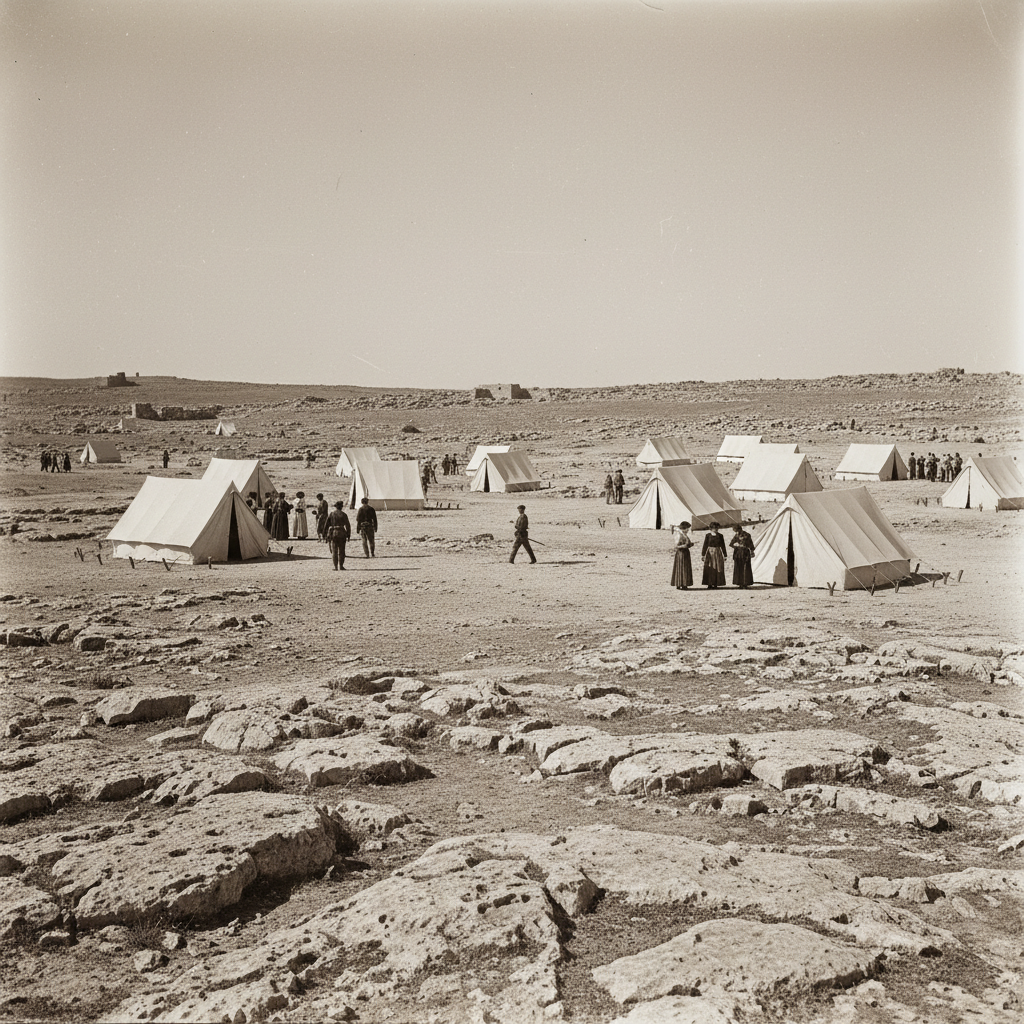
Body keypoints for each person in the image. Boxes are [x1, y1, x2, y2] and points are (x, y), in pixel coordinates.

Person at [325, 501, 351, 570]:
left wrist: (325, 535)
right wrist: (348, 535)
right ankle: (341, 566)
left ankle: (336, 567)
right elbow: (348, 526)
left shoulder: (332, 514)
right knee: (342, 550)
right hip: (342, 533)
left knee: (334, 551)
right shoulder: (344, 514)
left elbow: (327, 525)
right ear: (341, 507)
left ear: (336, 507)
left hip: (334, 533)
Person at [729, 523, 756, 588]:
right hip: (739, 553)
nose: (737, 532)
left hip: (744, 553)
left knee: (745, 568)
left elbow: (751, 544)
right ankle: (741, 584)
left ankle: (744, 583)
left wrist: (752, 551)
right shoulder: (737, 535)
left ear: (739, 529)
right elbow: (731, 544)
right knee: (739, 567)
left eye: (737, 531)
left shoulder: (746, 535)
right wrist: (736, 545)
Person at [701, 522, 727, 589]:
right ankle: (709, 583)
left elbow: (723, 545)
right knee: (709, 568)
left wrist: (725, 555)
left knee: (718, 567)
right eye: (714, 528)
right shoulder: (708, 535)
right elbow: (705, 545)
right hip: (709, 553)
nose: (715, 529)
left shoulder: (720, 536)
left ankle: (715, 583)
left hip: (718, 553)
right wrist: (703, 555)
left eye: (717, 528)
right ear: (711, 528)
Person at [670, 521, 693, 590]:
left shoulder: (683, 534)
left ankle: (683, 583)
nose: (688, 530)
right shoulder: (679, 535)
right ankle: (680, 583)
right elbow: (676, 546)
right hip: (681, 553)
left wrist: (690, 545)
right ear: (684, 528)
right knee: (681, 567)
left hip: (685, 553)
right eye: (687, 528)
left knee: (684, 568)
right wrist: (685, 546)